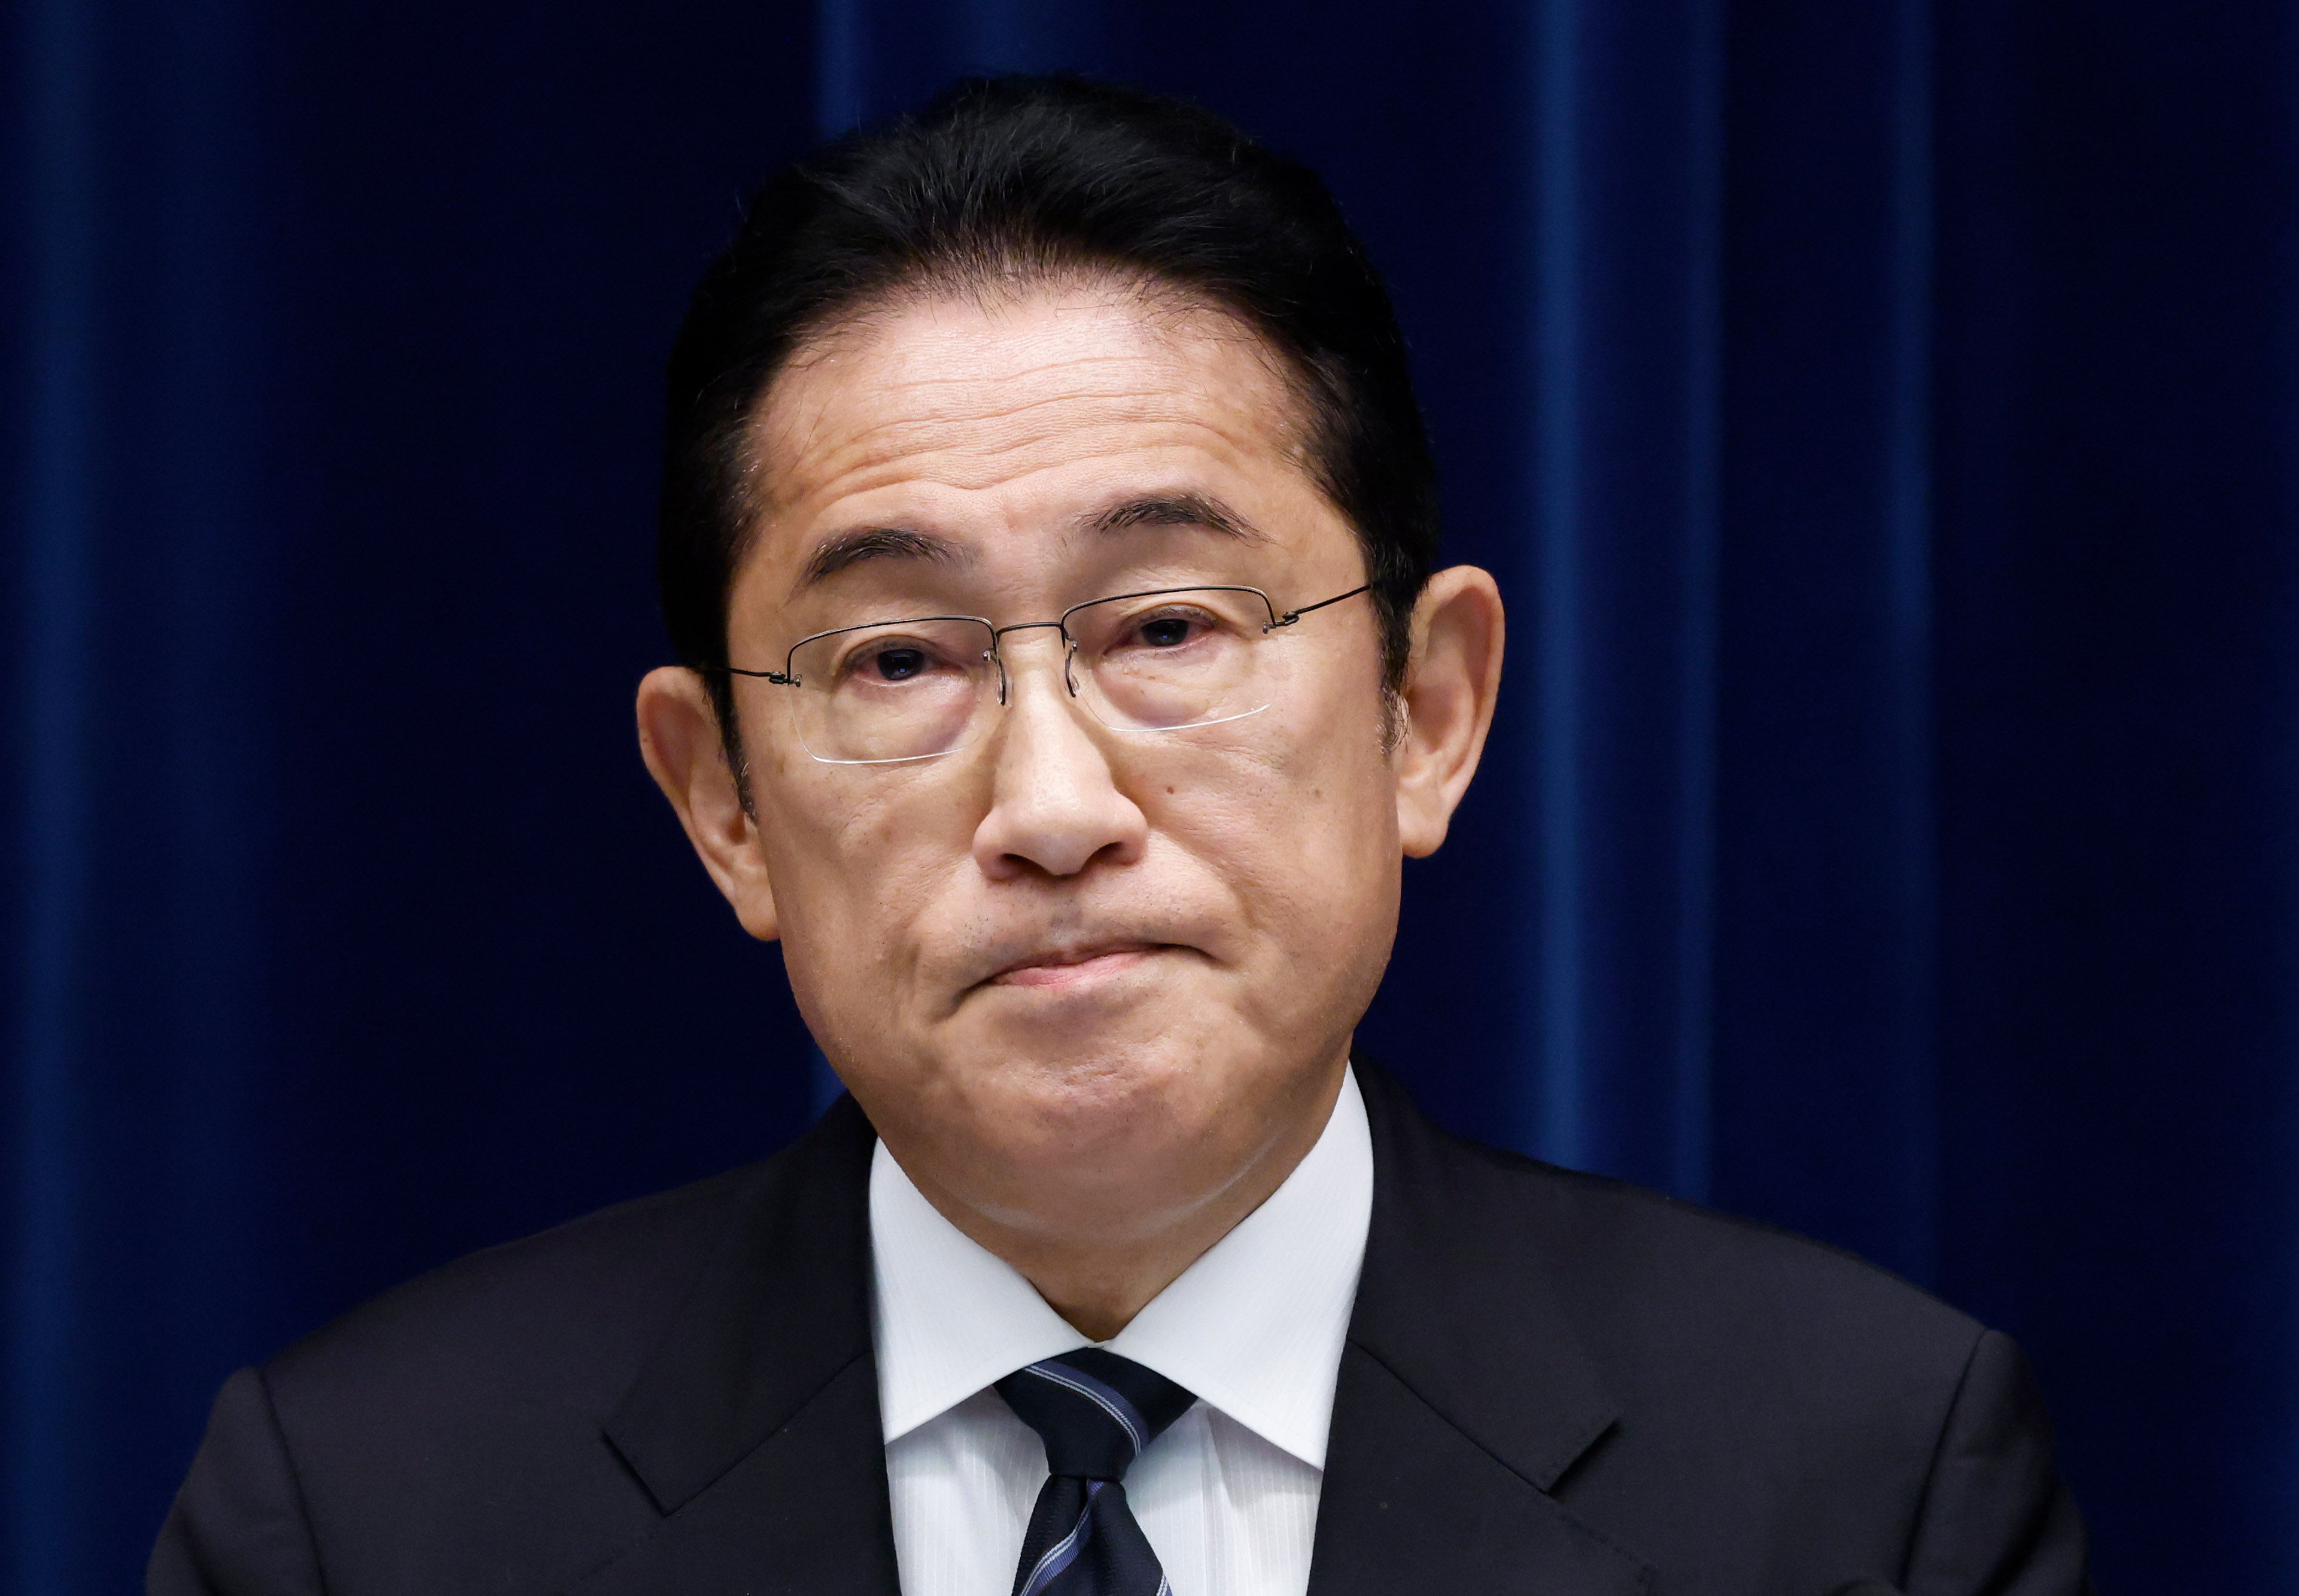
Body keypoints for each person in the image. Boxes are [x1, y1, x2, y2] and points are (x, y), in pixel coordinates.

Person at [150, 75, 2090, 1596]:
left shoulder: (1866, 1483)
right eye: (898, 657)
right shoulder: (363, 1516)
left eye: (1167, 626)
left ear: (1429, 711)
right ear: (721, 802)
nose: (1054, 806)